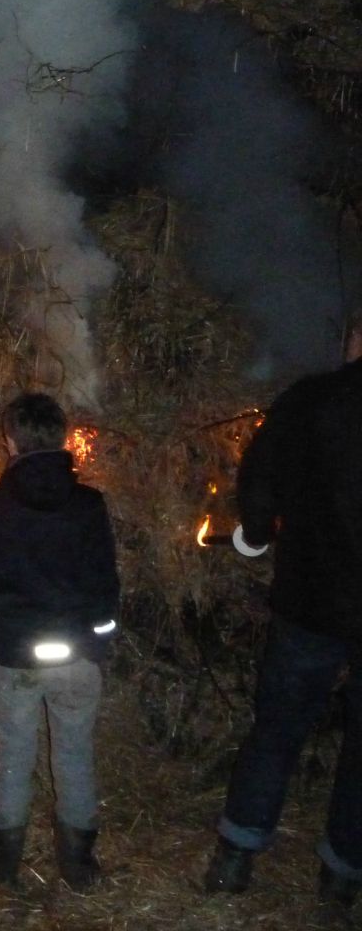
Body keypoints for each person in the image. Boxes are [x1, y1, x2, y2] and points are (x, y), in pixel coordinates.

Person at [203, 317, 362, 912]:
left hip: (311, 597)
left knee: (277, 728)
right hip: (321, 598)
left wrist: (254, 532)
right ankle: (342, 878)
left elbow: (259, 475)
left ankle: (237, 854)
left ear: (356, 339)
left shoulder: (310, 400)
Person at [0, 392, 120, 891]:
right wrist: (101, 639)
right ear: (64, 439)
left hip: (18, 655)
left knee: (14, 755)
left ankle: (3, 867)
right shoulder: (89, 504)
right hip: (77, 655)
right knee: (75, 753)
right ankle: (79, 867)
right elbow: (106, 582)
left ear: (10, 441)